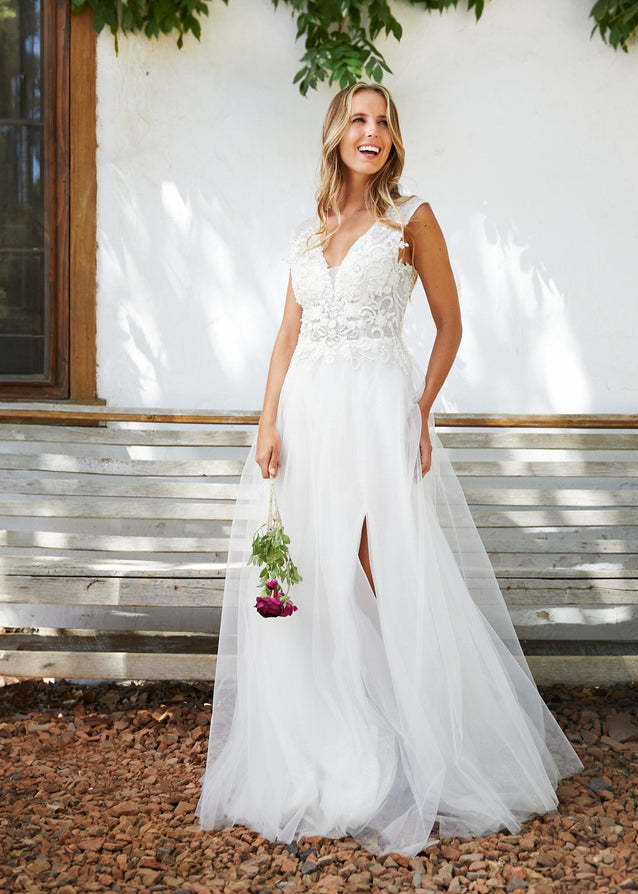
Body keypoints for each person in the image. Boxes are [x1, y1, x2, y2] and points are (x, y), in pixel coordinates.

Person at [196, 82, 582, 857]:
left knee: (388, 576)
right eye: (358, 119)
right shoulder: (313, 233)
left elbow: (450, 324)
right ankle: (332, 741)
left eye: (383, 122)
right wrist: (267, 422)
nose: (371, 132)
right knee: (312, 582)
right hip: (307, 422)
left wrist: (422, 409)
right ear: (337, 133)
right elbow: (285, 339)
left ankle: (434, 757)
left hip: (376, 416)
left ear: (392, 139)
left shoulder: (413, 220)